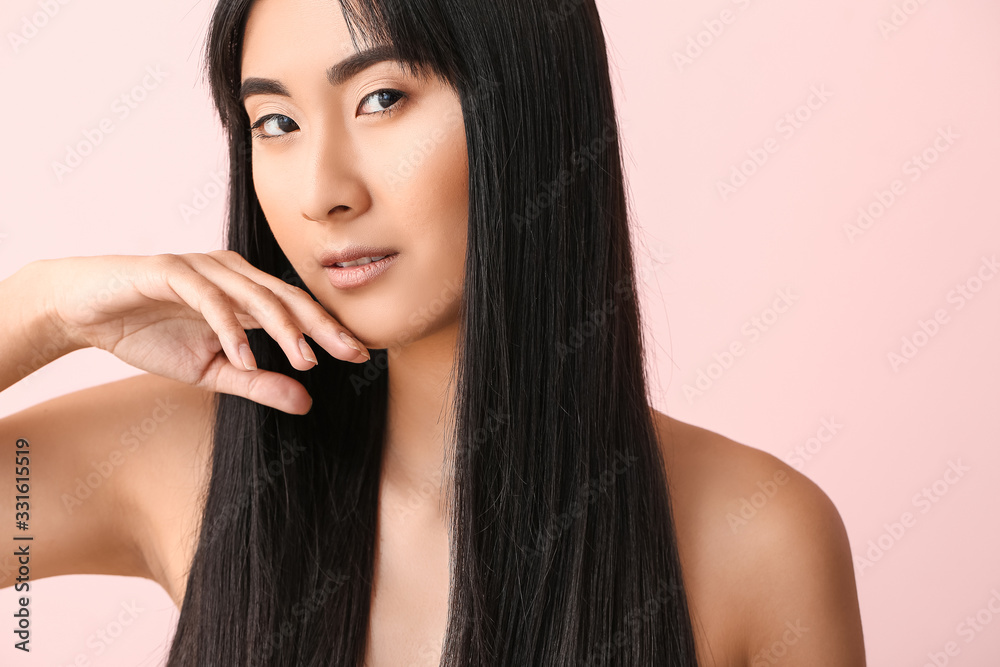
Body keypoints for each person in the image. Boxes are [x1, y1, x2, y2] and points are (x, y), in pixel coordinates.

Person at [0, 0, 866, 664]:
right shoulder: (178, 455)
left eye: (382, 98)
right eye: (276, 122)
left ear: (526, 106)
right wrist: (42, 310)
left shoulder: (757, 535)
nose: (321, 191)